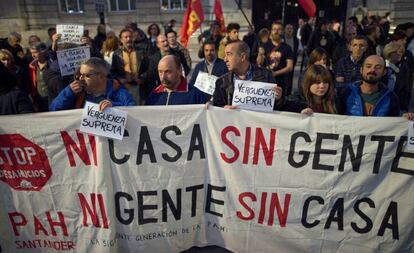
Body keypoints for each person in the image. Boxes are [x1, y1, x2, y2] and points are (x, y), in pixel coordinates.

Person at [212, 41, 283, 109]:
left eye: (229, 54)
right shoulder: (221, 82)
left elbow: (275, 109)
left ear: (242, 57)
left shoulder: (266, 75)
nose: (225, 59)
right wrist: (223, 108)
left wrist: (278, 99)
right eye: (225, 55)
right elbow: (216, 106)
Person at [50, 57, 135, 111]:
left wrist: (114, 106)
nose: (80, 78)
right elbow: (53, 110)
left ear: (101, 76)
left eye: (86, 75)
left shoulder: (119, 92)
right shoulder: (76, 93)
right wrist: (67, 93)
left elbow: (134, 111)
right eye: (80, 74)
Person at [141, 34, 190, 99]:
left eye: (166, 40)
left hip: (178, 89)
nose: (166, 43)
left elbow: (185, 68)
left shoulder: (178, 54)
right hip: (161, 91)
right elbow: (151, 77)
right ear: (158, 45)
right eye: (163, 41)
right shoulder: (153, 58)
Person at [111, 28, 146, 104]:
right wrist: (120, 79)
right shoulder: (117, 54)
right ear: (121, 39)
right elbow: (113, 71)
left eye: (130, 37)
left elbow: (148, 68)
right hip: (124, 87)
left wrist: (142, 78)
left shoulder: (141, 51)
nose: (128, 39)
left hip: (138, 87)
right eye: (126, 37)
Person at [263, 22, 294, 95]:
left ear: (282, 31)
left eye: (279, 29)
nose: (276, 31)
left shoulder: (287, 48)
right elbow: (259, 63)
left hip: (280, 82)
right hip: (265, 80)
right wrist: (260, 54)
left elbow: (289, 67)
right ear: (271, 31)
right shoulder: (264, 46)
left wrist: (276, 73)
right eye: (274, 29)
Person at [382, 42, 411, 112]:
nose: (399, 54)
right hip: (382, 103)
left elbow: (406, 88)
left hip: (399, 105)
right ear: (389, 53)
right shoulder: (381, 65)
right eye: (395, 52)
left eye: (400, 52)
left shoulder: (404, 68)